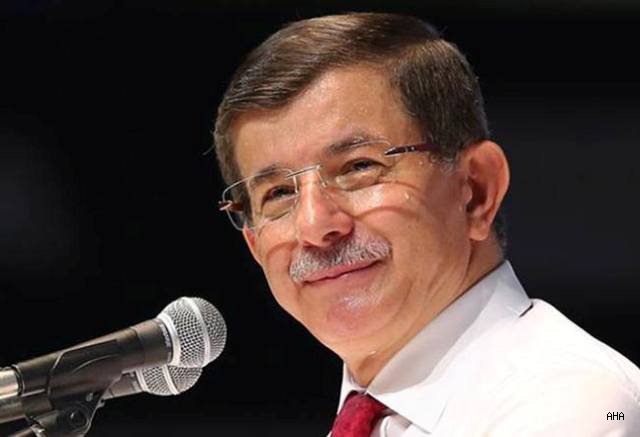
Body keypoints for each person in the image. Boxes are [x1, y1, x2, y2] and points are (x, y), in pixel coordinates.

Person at [212, 12, 640, 436]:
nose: (314, 225)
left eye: (359, 167)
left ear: (476, 191)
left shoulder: (570, 404)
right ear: (253, 243)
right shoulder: (377, 414)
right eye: (278, 194)